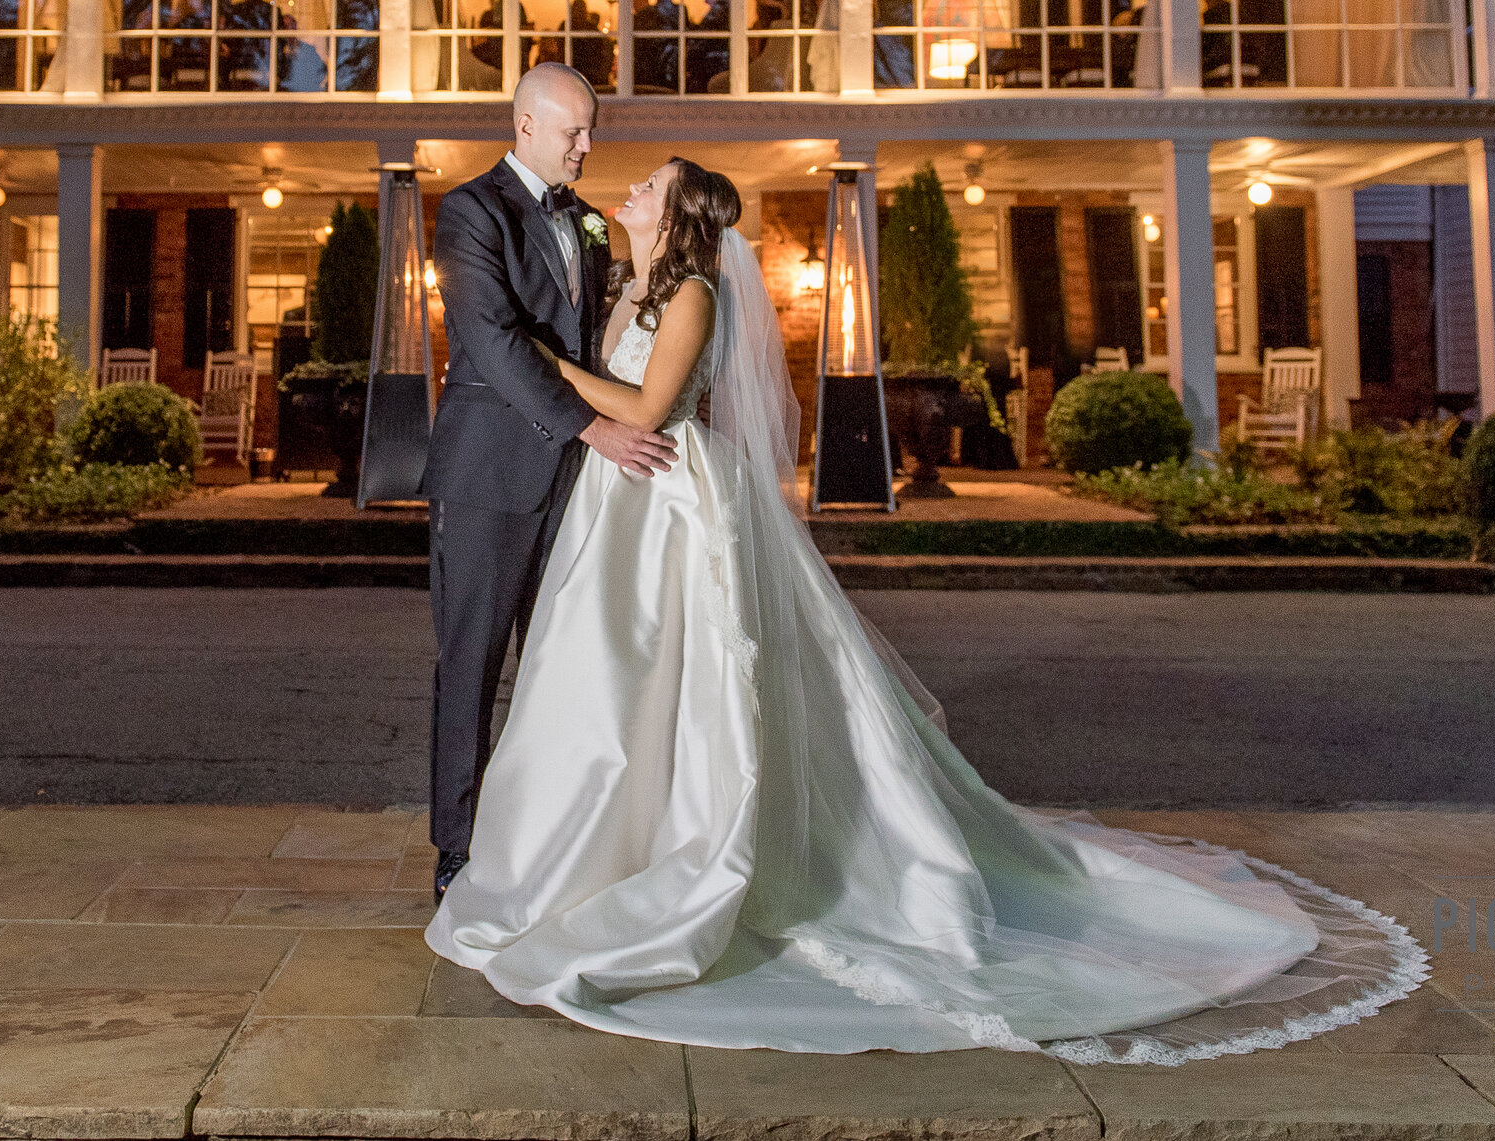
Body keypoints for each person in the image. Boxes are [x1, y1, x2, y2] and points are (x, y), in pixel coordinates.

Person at [427, 157, 1426, 1063]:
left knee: (690, 682)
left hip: (671, 497)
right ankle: (605, 848)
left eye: (647, 185)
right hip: (621, 502)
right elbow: (612, 385)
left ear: (680, 213)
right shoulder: (632, 286)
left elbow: (644, 410)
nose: (627, 188)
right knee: (613, 688)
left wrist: (538, 361)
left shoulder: (688, 292)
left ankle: (703, 853)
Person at [423, 64, 679, 903]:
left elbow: (602, 338)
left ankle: (549, 836)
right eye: (573, 131)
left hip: (578, 482)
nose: (588, 145)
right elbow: (494, 343)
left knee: (563, 662)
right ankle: (458, 850)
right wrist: (594, 426)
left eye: (592, 129)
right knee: (474, 661)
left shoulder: (589, 222)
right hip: (491, 472)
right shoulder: (469, 212)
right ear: (526, 125)